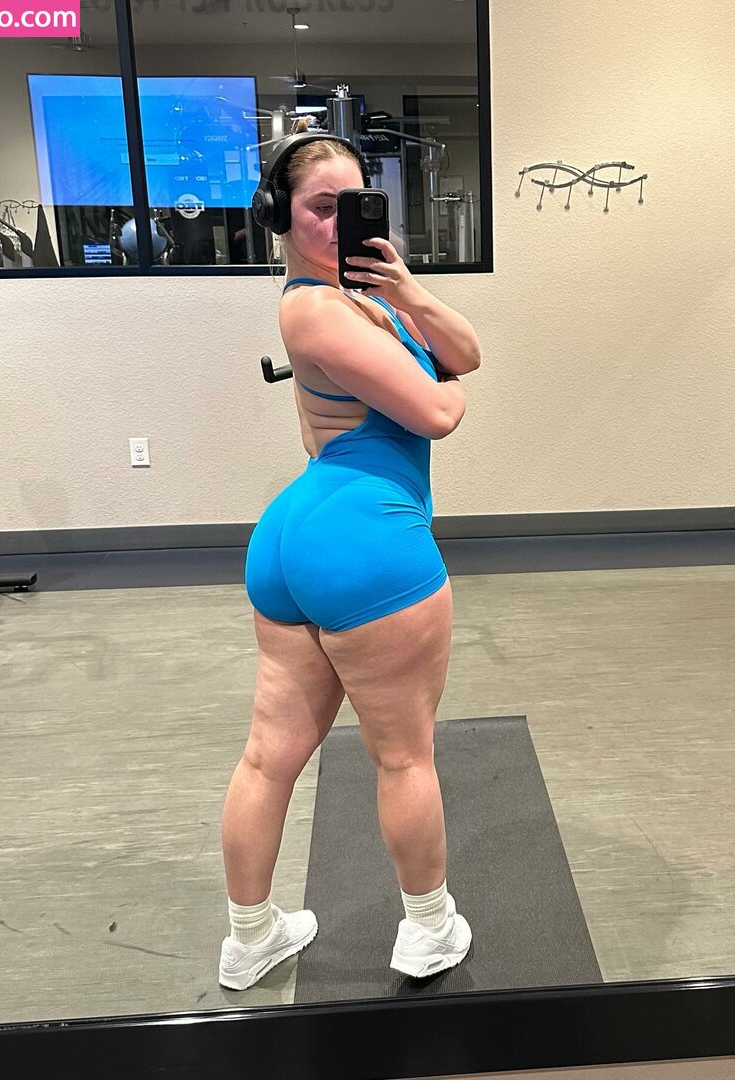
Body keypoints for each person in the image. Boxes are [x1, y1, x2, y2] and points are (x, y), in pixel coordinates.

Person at [219, 125, 482, 991]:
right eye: (320, 208)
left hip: (298, 533)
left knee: (269, 755)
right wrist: (445, 390)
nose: (340, 225)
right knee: (404, 755)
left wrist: (405, 289)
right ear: (280, 216)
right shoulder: (315, 310)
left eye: (355, 204)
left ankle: (252, 938)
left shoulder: (360, 295)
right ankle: (429, 929)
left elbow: (466, 352)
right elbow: (438, 410)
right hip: (363, 540)